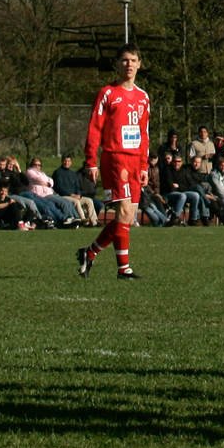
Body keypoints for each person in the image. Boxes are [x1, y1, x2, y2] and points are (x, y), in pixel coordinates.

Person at [76, 44, 151, 279]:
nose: (129, 64)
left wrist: (144, 165)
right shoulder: (108, 93)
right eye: (124, 60)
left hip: (135, 161)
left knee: (127, 217)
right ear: (117, 65)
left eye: (133, 60)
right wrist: (91, 161)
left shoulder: (143, 97)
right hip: (114, 158)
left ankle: (90, 253)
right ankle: (123, 269)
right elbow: (94, 128)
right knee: (124, 211)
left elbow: (144, 134)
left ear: (139, 64)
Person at [52, 154, 99, 226]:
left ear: (71, 162)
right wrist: (71, 195)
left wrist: (78, 194)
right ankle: (84, 221)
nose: (67, 162)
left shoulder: (73, 174)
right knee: (76, 202)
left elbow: (77, 187)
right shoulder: (57, 173)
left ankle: (94, 222)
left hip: (75, 196)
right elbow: (59, 188)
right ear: (62, 161)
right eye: (65, 161)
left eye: (68, 161)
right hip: (63, 196)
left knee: (89, 200)